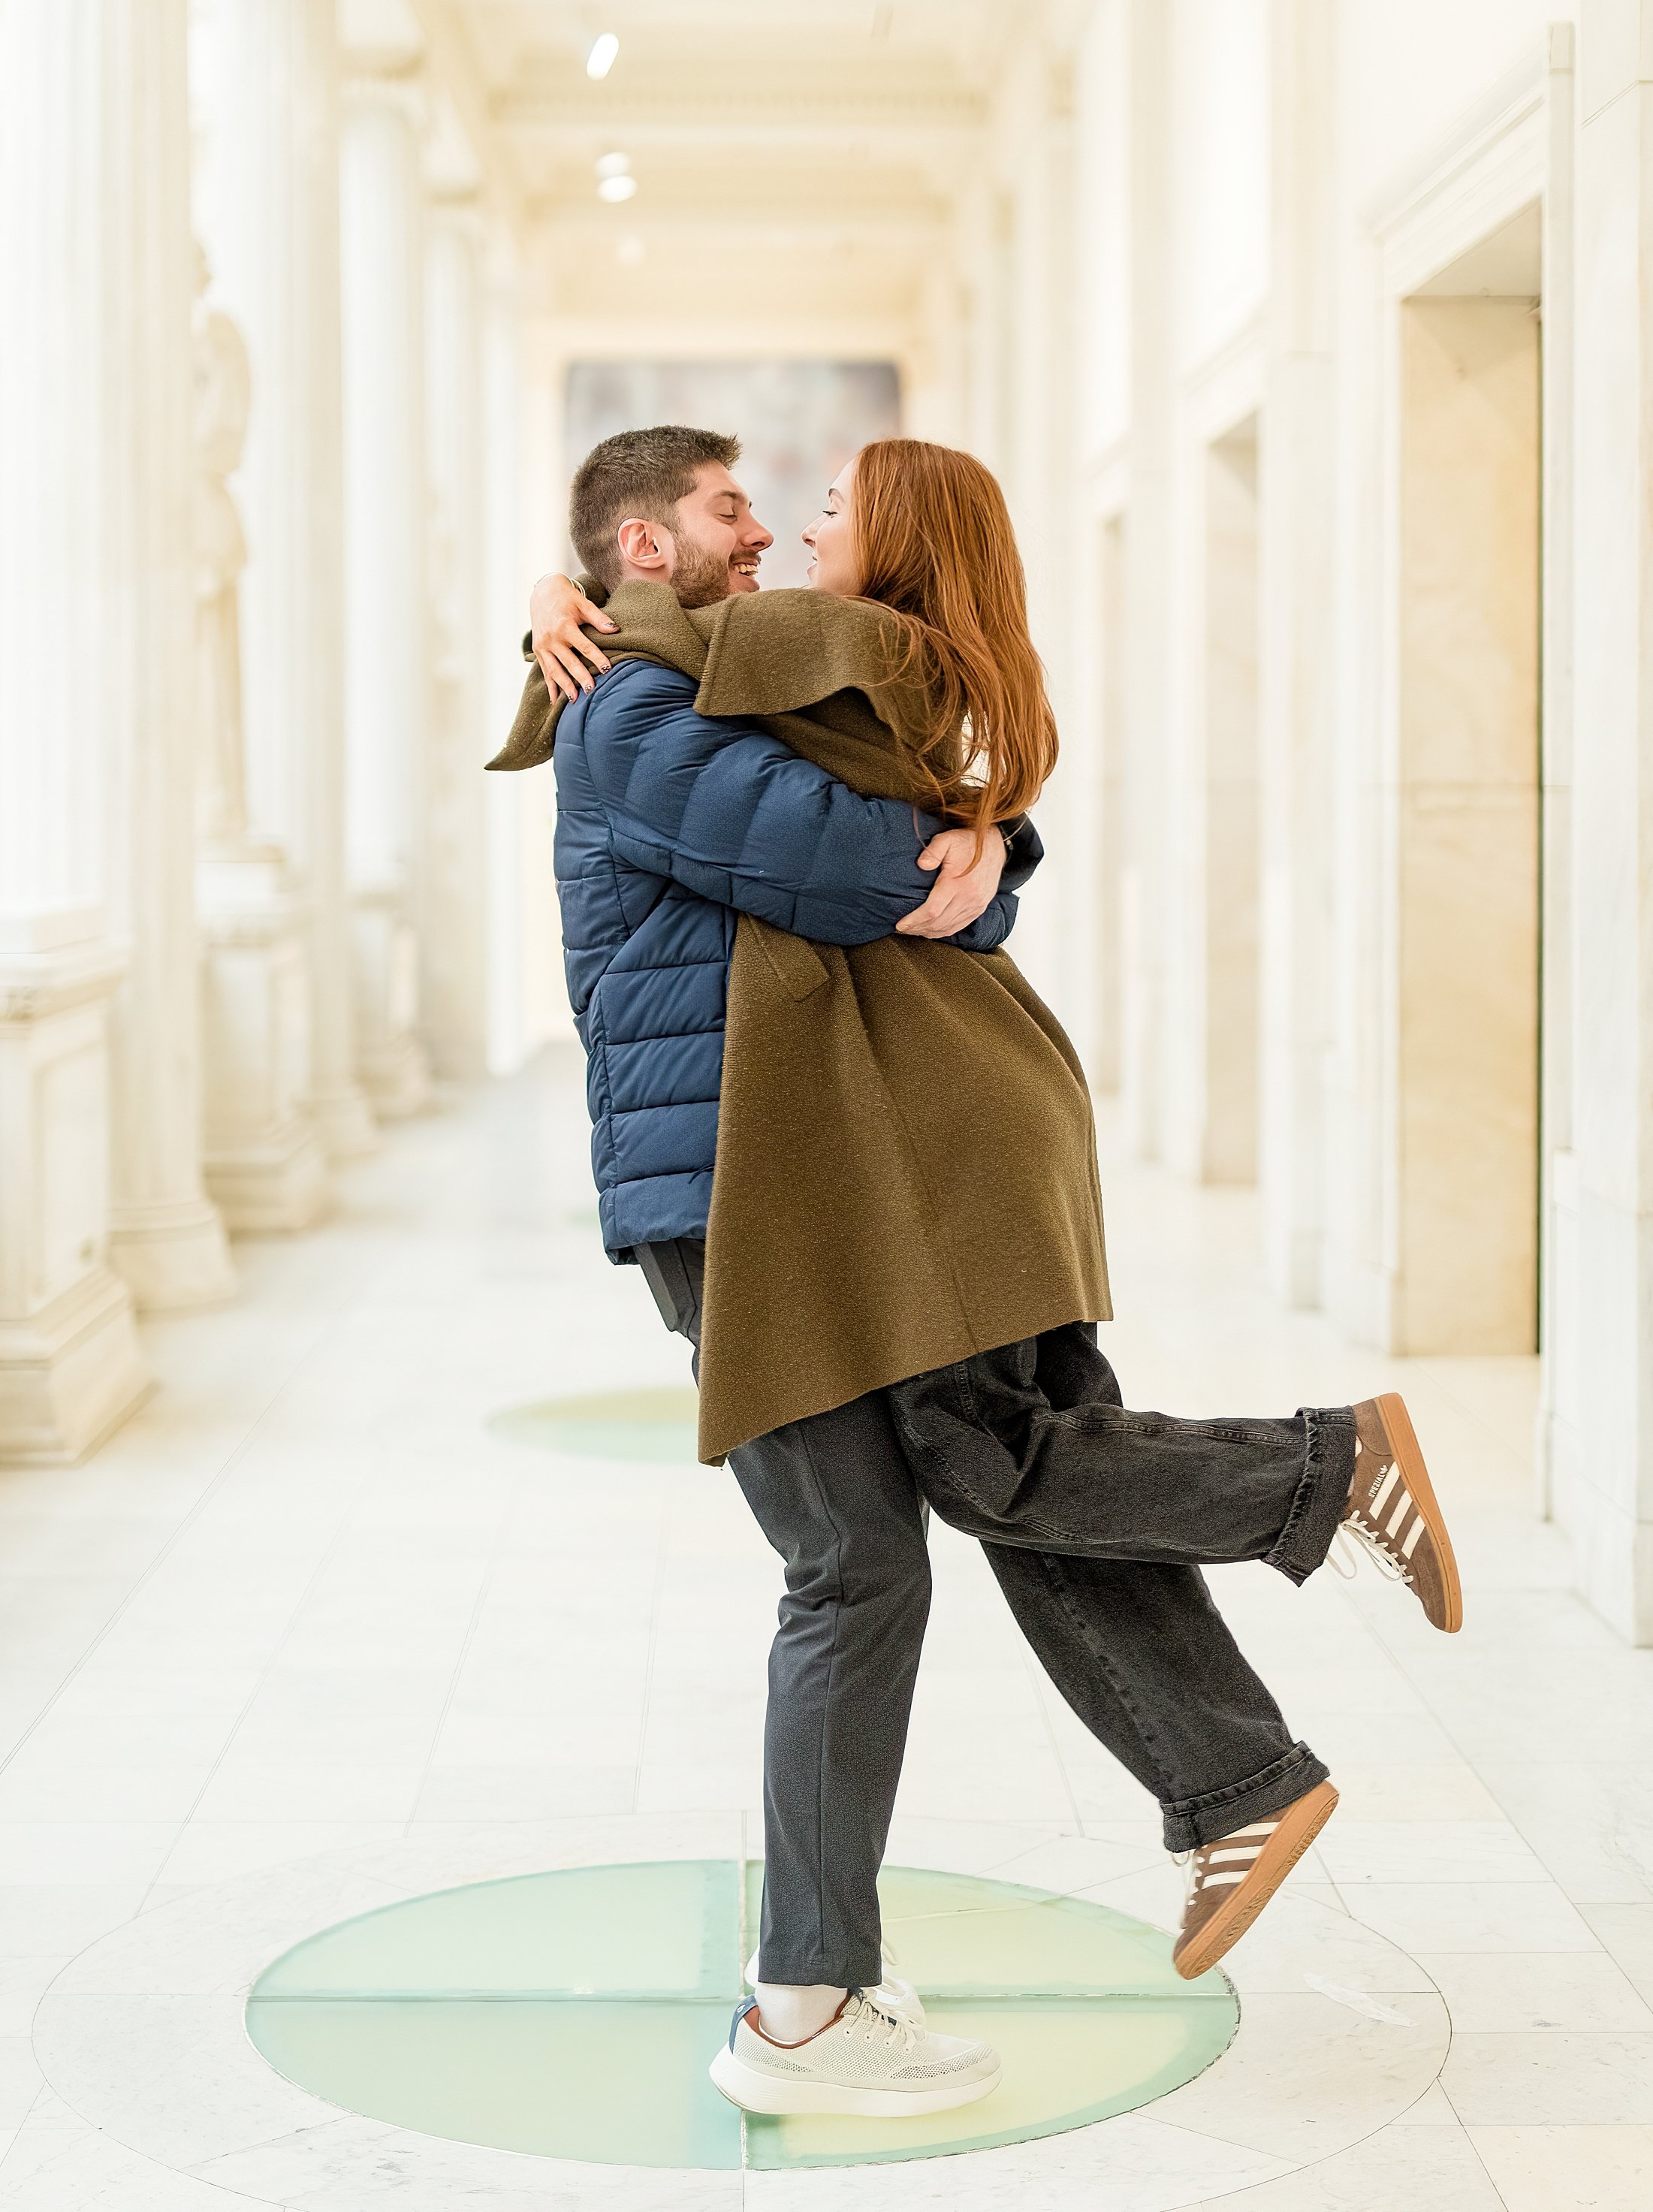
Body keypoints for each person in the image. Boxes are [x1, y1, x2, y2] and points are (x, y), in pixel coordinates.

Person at [496, 424, 1462, 2125]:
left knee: (928, 1510)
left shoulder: (720, 680)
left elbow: (899, 815)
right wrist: (975, 838)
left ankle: (1160, 1801)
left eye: (797, 510)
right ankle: (826, 1991)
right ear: (645, 551)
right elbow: (857, 857)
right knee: (877, 1548)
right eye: (734, 510)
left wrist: (991, 844)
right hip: (746, 1187)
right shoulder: (635, 709)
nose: (771, 533)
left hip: (851, 1165)